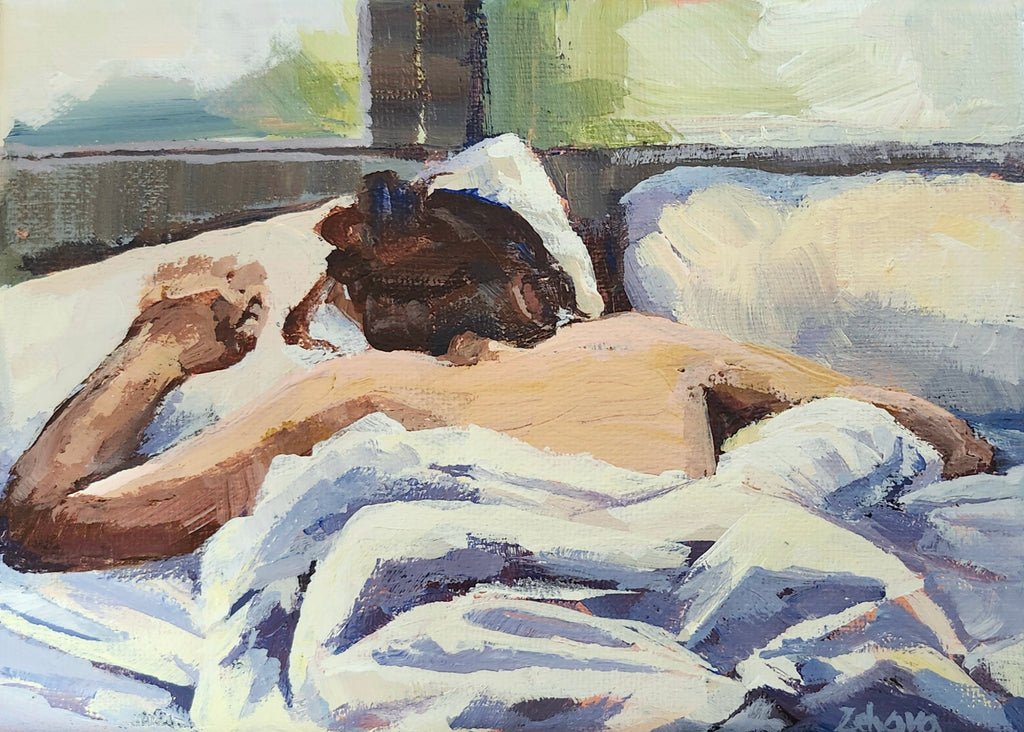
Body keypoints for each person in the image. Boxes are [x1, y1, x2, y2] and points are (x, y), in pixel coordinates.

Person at [0, 249, 993, 571]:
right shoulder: (650, 346)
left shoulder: (353, 391)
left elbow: (47, 521)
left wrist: (159, 349)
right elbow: (943, 436)